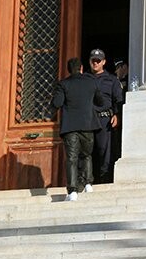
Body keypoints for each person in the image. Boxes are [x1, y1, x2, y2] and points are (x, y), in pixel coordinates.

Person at [50, 57, 108, 201]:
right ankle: (88, 184)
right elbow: (101, 102)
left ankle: (73, 191)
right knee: (86, 155)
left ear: (68, 70)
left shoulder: (63, 84)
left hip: (70, 127)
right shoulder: (91, 82)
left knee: (71, 158)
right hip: (88, 125)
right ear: (81, 68)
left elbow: (57, 103)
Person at [88, 48, 123, 184]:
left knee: (104, 151)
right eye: (93, 61)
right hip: (88, 120)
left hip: (105, 120)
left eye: (98, 61)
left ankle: (104, 180)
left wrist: (117, 115)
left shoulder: (112, 80)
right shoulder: (85, 79)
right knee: (87, 152)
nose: (95, 63)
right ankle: (86, 181)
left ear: (103, 62)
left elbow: (118, 99)